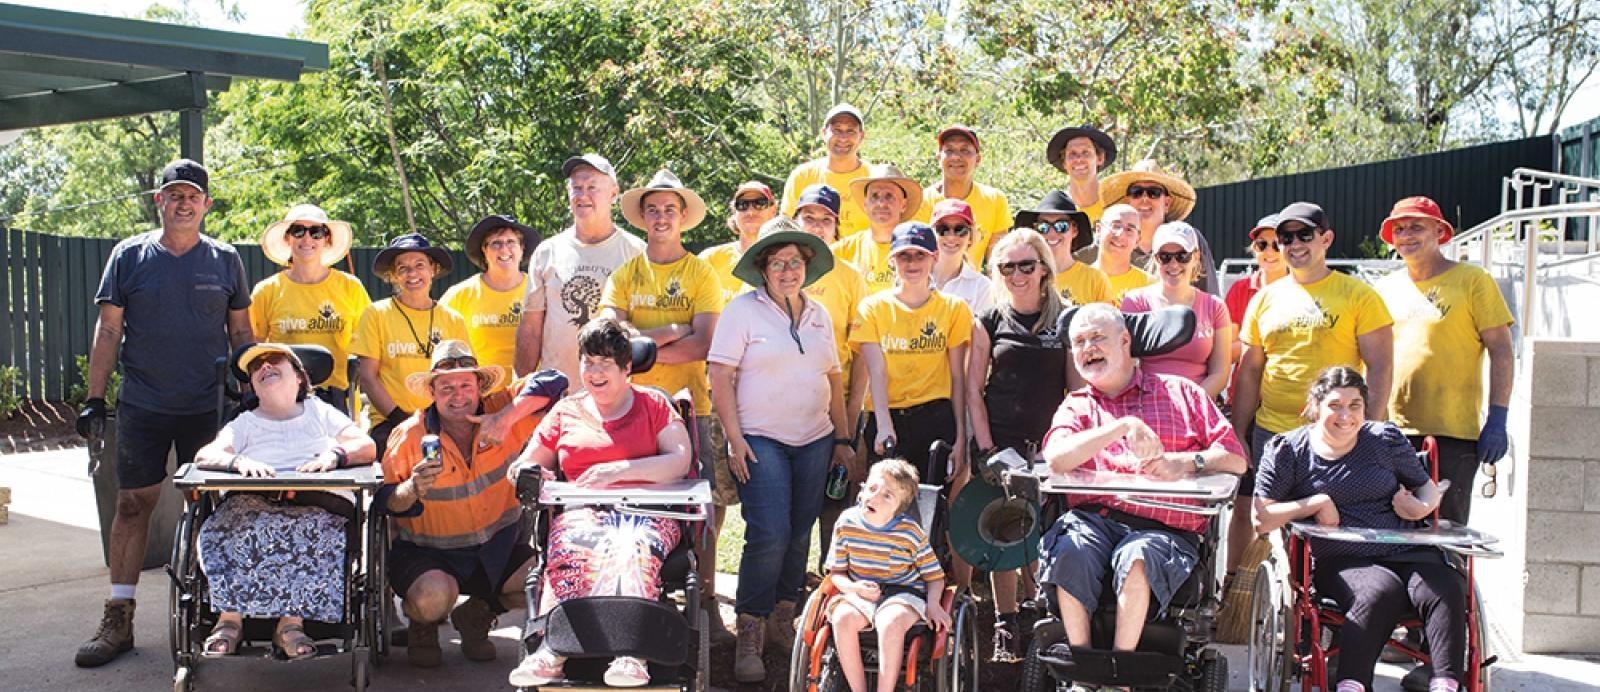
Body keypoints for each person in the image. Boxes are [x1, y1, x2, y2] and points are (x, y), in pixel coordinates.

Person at [74, 159, 254, 668]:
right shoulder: (129, 256)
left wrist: (252, 391)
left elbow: (241, 333)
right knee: (132, 503)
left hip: (208, 406)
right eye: (174, 194)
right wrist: (94, 398)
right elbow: (108, 331)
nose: (183, 202)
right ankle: (119, 614)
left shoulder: (225, 259)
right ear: (160, 200)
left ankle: (214, 614)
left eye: (192, 195)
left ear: (206, 204)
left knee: (212, 509)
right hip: (143, 403)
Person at [1037, 304, 1246, 663]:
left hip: (1163, 527)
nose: (1088, 348)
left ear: (1124, 341)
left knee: (1138, 556)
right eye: (1079, 342)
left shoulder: (1183, 393)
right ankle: (1082, 663)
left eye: (1097, 338)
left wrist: (1185, 463)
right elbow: (1055, 458)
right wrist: (1120, 426)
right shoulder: (1077, 406)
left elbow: (1235, 458)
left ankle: (1121, 666)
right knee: (1070, 545)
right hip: (1095, 520)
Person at [506, 319, 695, 688]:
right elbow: (526, 463)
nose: (594, 372)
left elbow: (679, 460)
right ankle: (553, 649)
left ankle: (632, 653)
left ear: (626, 369)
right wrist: (530, 473)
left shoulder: (654, 404)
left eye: (605, 363)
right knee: (580, 544)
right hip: (582, 512)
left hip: (648, 512)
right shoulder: (565, 412)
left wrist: (618, 471)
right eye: (588, 362)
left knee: (630, 546)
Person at [1253, 367, 1463, 692]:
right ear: (1314, 406)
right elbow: (1262, 517)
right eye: (1335, 405)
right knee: (1379, 591)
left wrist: (1419, 507)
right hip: (1343, 559)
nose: (1345, 415)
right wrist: (1315, 502)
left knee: (1445, 587)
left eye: (1355, 406)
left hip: (1405, 547)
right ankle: (1352, 686)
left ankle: (1445, 684)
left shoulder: (1382, 439)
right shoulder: (1289, 451)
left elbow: (1427, 489)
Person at [708, 217, 851, 681]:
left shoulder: (819, 315)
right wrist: (734, 438)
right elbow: (720, 376)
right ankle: (749, 625)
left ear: (806, 266)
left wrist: (844, 439)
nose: (787, 270)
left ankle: (782, 619)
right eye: (777, 262)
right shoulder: (741, 311)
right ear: (762, 268)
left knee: (800, 530)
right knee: (768, 530)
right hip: (759, 438)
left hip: (815, 437)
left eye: (795, 262)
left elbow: (833, 378)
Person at [598, 168, 733, 643]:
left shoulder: (700, 272)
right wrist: (670, 332)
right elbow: (609, 340)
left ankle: (707, 603)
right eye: (652, 209)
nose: (660, 217)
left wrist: (640, 349)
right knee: (633, 500)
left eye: (669, 210)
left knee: (705, 508)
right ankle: (643, 599)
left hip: (689, 406)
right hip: (630, 408)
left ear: (682, 218)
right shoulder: (624, 274)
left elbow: (704, 344)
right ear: (641, 217)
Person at [380, 340, 565, 668]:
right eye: (446, 387)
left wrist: (506, 418)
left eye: (466, 384)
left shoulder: (504, 407)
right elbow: (385, 505)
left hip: (497, 547)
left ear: (480, 386)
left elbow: (555, 381)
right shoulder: (409, 436)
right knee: (431, 599)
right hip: (428, 553)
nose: (457, 395)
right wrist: (411, 489)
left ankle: (478, 613)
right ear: (432, 392)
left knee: (550, 582)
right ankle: (422, 624)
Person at [1232, 202, 1394, 574]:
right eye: (1285, 237)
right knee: (1276, 523)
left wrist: (1367, 426)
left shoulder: (1358, 295)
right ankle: (1288, 606)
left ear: (1326, 239)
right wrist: (1240, 431)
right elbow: (1251, 369)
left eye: (1305, 235)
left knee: (1333, 523)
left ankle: (1332, 604)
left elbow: (1381, 366)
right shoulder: (1265, 298)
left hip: (1336, 434)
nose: (1294, 244)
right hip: (1274, 433)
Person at [190, 343, 377, 659]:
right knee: (230, 528)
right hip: (254, 499)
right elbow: (206, 454)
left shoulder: (320, 412)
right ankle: (229, 620)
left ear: (300, 379)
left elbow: (366, 445)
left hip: (318, 503)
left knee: (316, 531)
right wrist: (236, 463)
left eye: (275, 361)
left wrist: (335, 455)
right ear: (252, 386)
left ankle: (291, 624)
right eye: (256, 367)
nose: (264, 367)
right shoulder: (245, 422)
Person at [1374, 196, 1514, 525]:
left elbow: (1502, 350)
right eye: (1400, 229)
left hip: (1452, 434)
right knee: (1391, 528)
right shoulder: (1384, 289)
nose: (1406, 235)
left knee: (1445, 531)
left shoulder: (1472, 280)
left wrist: (1498, 418)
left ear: (1440, 231)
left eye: (1416, 227)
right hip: (1393, 431)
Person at [965, 228, 1066, 661]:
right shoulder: (988, 320)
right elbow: (973, 390)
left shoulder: (1066, 318)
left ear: (1044, 268)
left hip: (1050, 446)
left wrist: (1061, 446)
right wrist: (988, 449)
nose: (1018, 274)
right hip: (1001, 442)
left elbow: (1077, 391)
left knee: (1045, 536)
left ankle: (1042, 614)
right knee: (1002, 534)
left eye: (1027, 265)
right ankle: (1005, 624)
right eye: (1008, 267)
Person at [792, 183, 874, 577]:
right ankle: (787, 590)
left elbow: (861, 351)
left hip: (835, 402)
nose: (818, 226)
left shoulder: (850, 276)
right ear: (796, 220)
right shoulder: (779, 269)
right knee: (793, 501)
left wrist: (853, 411)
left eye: (826, 220)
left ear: (837, 227)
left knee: (836, 496)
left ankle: (832, 581)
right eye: (809, 217)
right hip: (785, 403)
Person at [851, 222, 971, 480]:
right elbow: (876, 370)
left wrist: (961, 437)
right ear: (892, 260)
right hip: (888, 415)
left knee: (932, 508)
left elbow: (957, 376)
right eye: (904, 255)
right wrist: (884, 424)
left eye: (920, 255)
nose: (912, 263)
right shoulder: (872, 308)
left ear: (935, 257)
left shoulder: (954, 308)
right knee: (886, 507)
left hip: (935, 416)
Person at [515, 153, 645, 388]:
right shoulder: (547, 252)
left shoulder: (636, 252)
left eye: (592, 187)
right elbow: (531, 328)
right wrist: (520, 388)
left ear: (613, 193)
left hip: (617, 396)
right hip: (557, 393)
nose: (583, 195)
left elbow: (645, 326)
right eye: (577, 188)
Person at [825, 459, 950, 692]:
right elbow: (836, 573)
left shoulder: (909, 532)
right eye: (872, 489)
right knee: (842, 618)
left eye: (887, 496)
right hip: (861, 591)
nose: (875, 498)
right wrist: (854, 589)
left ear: (899, 507)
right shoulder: (846, 523)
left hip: (904, 594)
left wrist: (933, 604)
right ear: (863, 489)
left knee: (889, 622)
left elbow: (934, 576)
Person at [350, 233, 470, 459]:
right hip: (390, 422)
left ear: (433, 269)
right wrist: (403, 421)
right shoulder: (376, 314)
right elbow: (368, 376)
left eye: (419, 265)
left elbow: (462, 377)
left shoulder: (453, 319)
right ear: (393, 275)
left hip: (443, 422)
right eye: (402, 268)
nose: (412, 273)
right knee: (394, 490)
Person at [249, 204, 370, 412]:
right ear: (288, 238)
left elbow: (369, 344)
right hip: (282, 398)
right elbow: (253, 349)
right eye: (298, 231)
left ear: (326, 239)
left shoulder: (350, 287)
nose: (307, 239)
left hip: (337, 398)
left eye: (316, 232)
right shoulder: (266, 290)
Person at [1121, 222, 1233, 399]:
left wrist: (1191, 402)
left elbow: (1220, 373)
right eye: (1165, 257)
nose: (1173, 264)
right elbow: (1126, 367)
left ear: (1196, 257)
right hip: (1148, 402)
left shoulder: (1215, 306)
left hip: (1199, 405)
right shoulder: (1136, 302)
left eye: (1182, 256)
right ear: (1155, 258)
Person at [1094, 159, 1220, 295]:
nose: (1144, 199)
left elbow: (1208, 295)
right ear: (1128, 201)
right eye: (1136, 192)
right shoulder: (1110, 241)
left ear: (1166, 203)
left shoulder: (1189, 239)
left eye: (1153, 192)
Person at [442, 214, 540, 374]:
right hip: (477, 392)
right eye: (496, 243)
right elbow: (439, 344)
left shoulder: (538, 290)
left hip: (531, 390)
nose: (504, 249)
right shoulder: (460, 294)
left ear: (522, 248)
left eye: (511, 242)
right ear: (484, 250)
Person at [912, 125, 1011, 268]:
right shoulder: (920, 201)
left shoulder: (995, 200)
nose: (956, 157)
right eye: (949, 150)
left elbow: (997, 260)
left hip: (974, 287)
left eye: (965, 150)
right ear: (939, 157)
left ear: (978, 159)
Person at [782, 103, 873, 237]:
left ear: (861, 136)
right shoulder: (802, 176)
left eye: (850, 131)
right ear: (824, 133)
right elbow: (786, 226)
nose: (843, 138)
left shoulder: (874, 178)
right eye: (836, 130)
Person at [833, 163, 923, 294]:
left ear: (903, 205)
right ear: (865, 204)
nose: (881, 203)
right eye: (874, 196)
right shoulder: (843, 251)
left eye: (889, 196)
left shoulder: (919, 252)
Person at [1013, 190, 1113, 306]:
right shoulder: (1024, 276)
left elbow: (1107, 321)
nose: (1052, 233)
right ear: (1035, 231)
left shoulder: (1095, 279)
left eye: (1061, 226)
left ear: (1074, 230)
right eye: (1043, 227)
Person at [701, 181, 778, 303]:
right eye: (742, 205)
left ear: (773, 211)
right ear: (734, 213)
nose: (750, 212)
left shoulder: (784, 261)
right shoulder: (710, 259)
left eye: (760, 203)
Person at [1225, 215, 1288, 366]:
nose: (1269, 251)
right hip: (1246, 385)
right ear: (1254, 248)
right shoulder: (1239, 290)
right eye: (1262, 244)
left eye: (1277, 244)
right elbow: (1226, 352)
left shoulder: (1303, 290)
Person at [929, 199, 994, 316]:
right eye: (942, 229)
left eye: (960, 230)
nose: (951, 237)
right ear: (932, 234)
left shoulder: (981, 287)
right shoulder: (913, 276)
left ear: (970, 237)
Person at [1044, 124, 1118, 225]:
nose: (1079, 159)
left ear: (1100, 158)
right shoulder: (1056, 208)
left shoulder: (1116, 205)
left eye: (1086, 152)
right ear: (1064, 162)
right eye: (1072, 154)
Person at [1092, 204, 1154, 304]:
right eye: (1115, 226)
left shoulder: (1150, 287)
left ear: (1137, 240)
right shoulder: (1077, 279)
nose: (1120, 234)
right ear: (1098, 230)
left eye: (1129, 229)